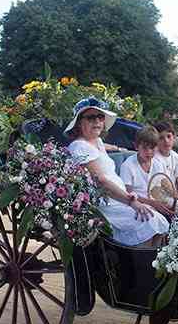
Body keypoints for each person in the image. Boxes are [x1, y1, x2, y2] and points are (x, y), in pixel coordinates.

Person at [66, 97, 169, 247]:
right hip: (107, 203)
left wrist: (118, 149)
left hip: (118, 198)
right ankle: (140, 265)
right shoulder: (79, 147)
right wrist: (132, 202)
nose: (97, 121)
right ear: (79, 123)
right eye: (91, 117)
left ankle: (151, 262)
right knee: (149, 222)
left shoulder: (96, 141)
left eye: (100, 117)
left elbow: (101, 148)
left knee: (159, 221)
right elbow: (101, 181)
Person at [119, 125, 175, 215]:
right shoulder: (127, 165)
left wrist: (174, 198)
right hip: (136, 205)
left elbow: (163, 186)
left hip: (156, 202)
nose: (149, 152)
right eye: (145, 147)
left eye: (152, 148)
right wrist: (152, 203)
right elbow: (127, 194)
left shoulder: (158, 163)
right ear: (136, 146)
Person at [154, 122, 178, 201]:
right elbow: (163, 183)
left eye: (169, 136)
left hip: (174, 195)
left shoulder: (177, 157)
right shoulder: (154, 158)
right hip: (160, 195)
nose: (166, 141)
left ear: (174, 137)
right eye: (161, 138)